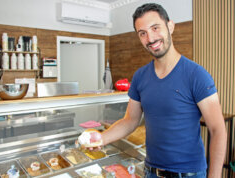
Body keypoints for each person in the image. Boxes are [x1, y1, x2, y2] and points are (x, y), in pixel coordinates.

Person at [80, 3, 227, 178]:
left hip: (189, 173)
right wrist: (102, 138)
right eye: (143, 33)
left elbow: (218, 130)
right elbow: (130, 120)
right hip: (151, 172)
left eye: (155, 28)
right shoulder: (140, 76)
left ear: (170, 26)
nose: (150, 38)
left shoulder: (196, 75)